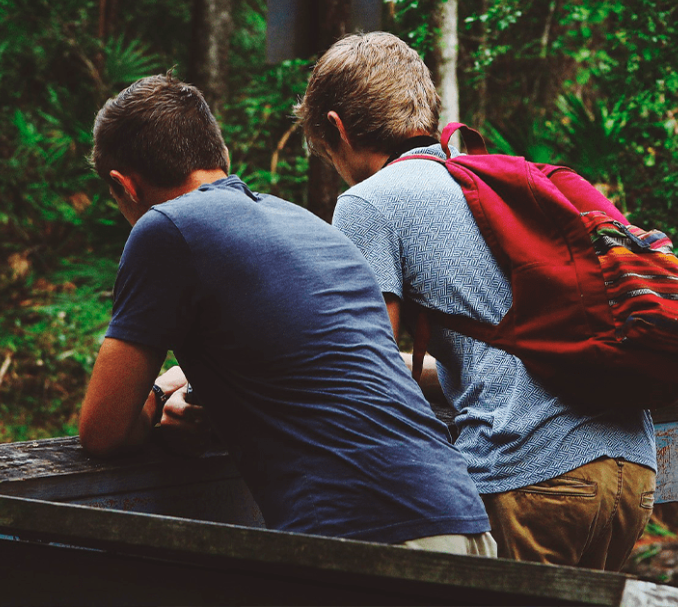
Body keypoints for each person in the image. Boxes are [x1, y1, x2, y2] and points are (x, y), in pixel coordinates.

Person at [77, 73, 494, 555]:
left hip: (367, 531)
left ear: (122, 185)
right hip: (462, 518)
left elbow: (103, 431)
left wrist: (154, 398)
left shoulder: (166, 228)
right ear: (220, 157)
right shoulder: (308, 225)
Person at [294, 32, 657, 570]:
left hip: (531, 473)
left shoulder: (368, 203)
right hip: (632, 469)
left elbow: (362, 369)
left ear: (337, 129)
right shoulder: (485, 184)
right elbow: (498, 353)